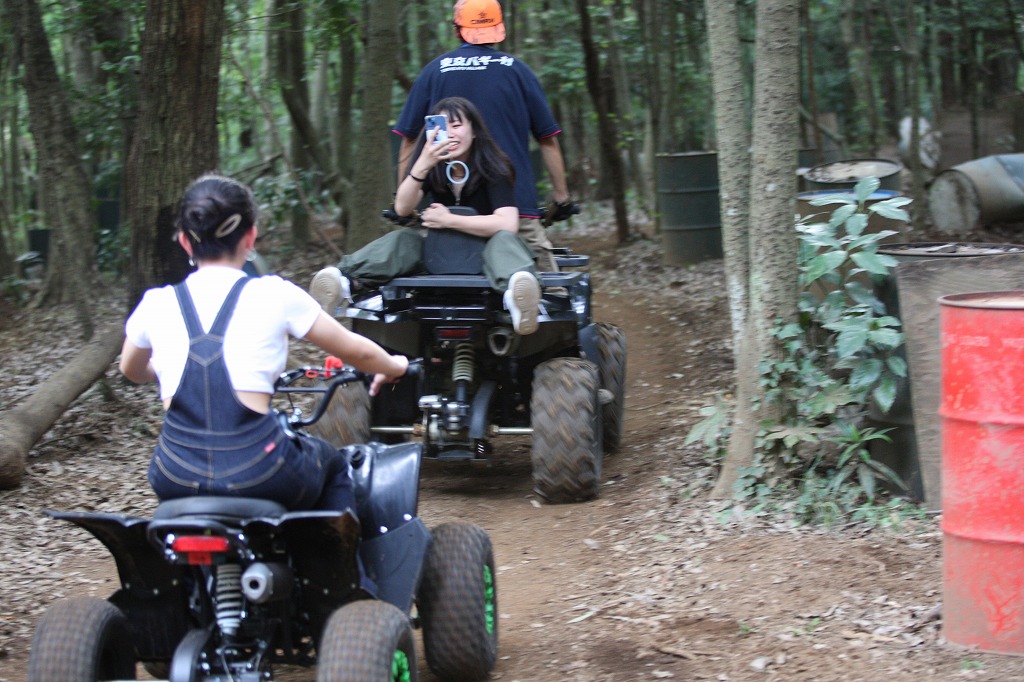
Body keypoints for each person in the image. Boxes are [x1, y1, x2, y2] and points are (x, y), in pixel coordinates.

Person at [119, 174, 409, 514]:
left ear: (185, 241)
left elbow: (131, 369)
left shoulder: (156, 303)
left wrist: (165, 365)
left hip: (174, 471)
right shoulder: (274, 293)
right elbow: (357, 351)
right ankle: (341, 551)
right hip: (259, 468)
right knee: (334, 465)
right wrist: (395, 366)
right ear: (251, 235)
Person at [310, 96, 543, 335]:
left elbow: (507, 223)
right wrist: (423, 163)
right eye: (442, 127)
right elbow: (402, 207)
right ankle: (342, 282)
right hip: (438, 255)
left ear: (474, 131)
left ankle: (519, 296)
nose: (449, 133)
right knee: (405, 239)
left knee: (505, 241)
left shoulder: (494, 167)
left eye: (456, 125)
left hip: (487, 257)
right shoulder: (432, 167)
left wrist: (448, 220)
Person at [392, 0, 572, 273]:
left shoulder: (435, 70)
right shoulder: (517, 70)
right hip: (514, 208)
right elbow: (547, 139)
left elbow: (408, 139)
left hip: (444, 209)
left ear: (457, 30)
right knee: (546, 287)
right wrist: (561, 198)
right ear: (498, 29)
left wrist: (403, 198)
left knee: (421, 283)